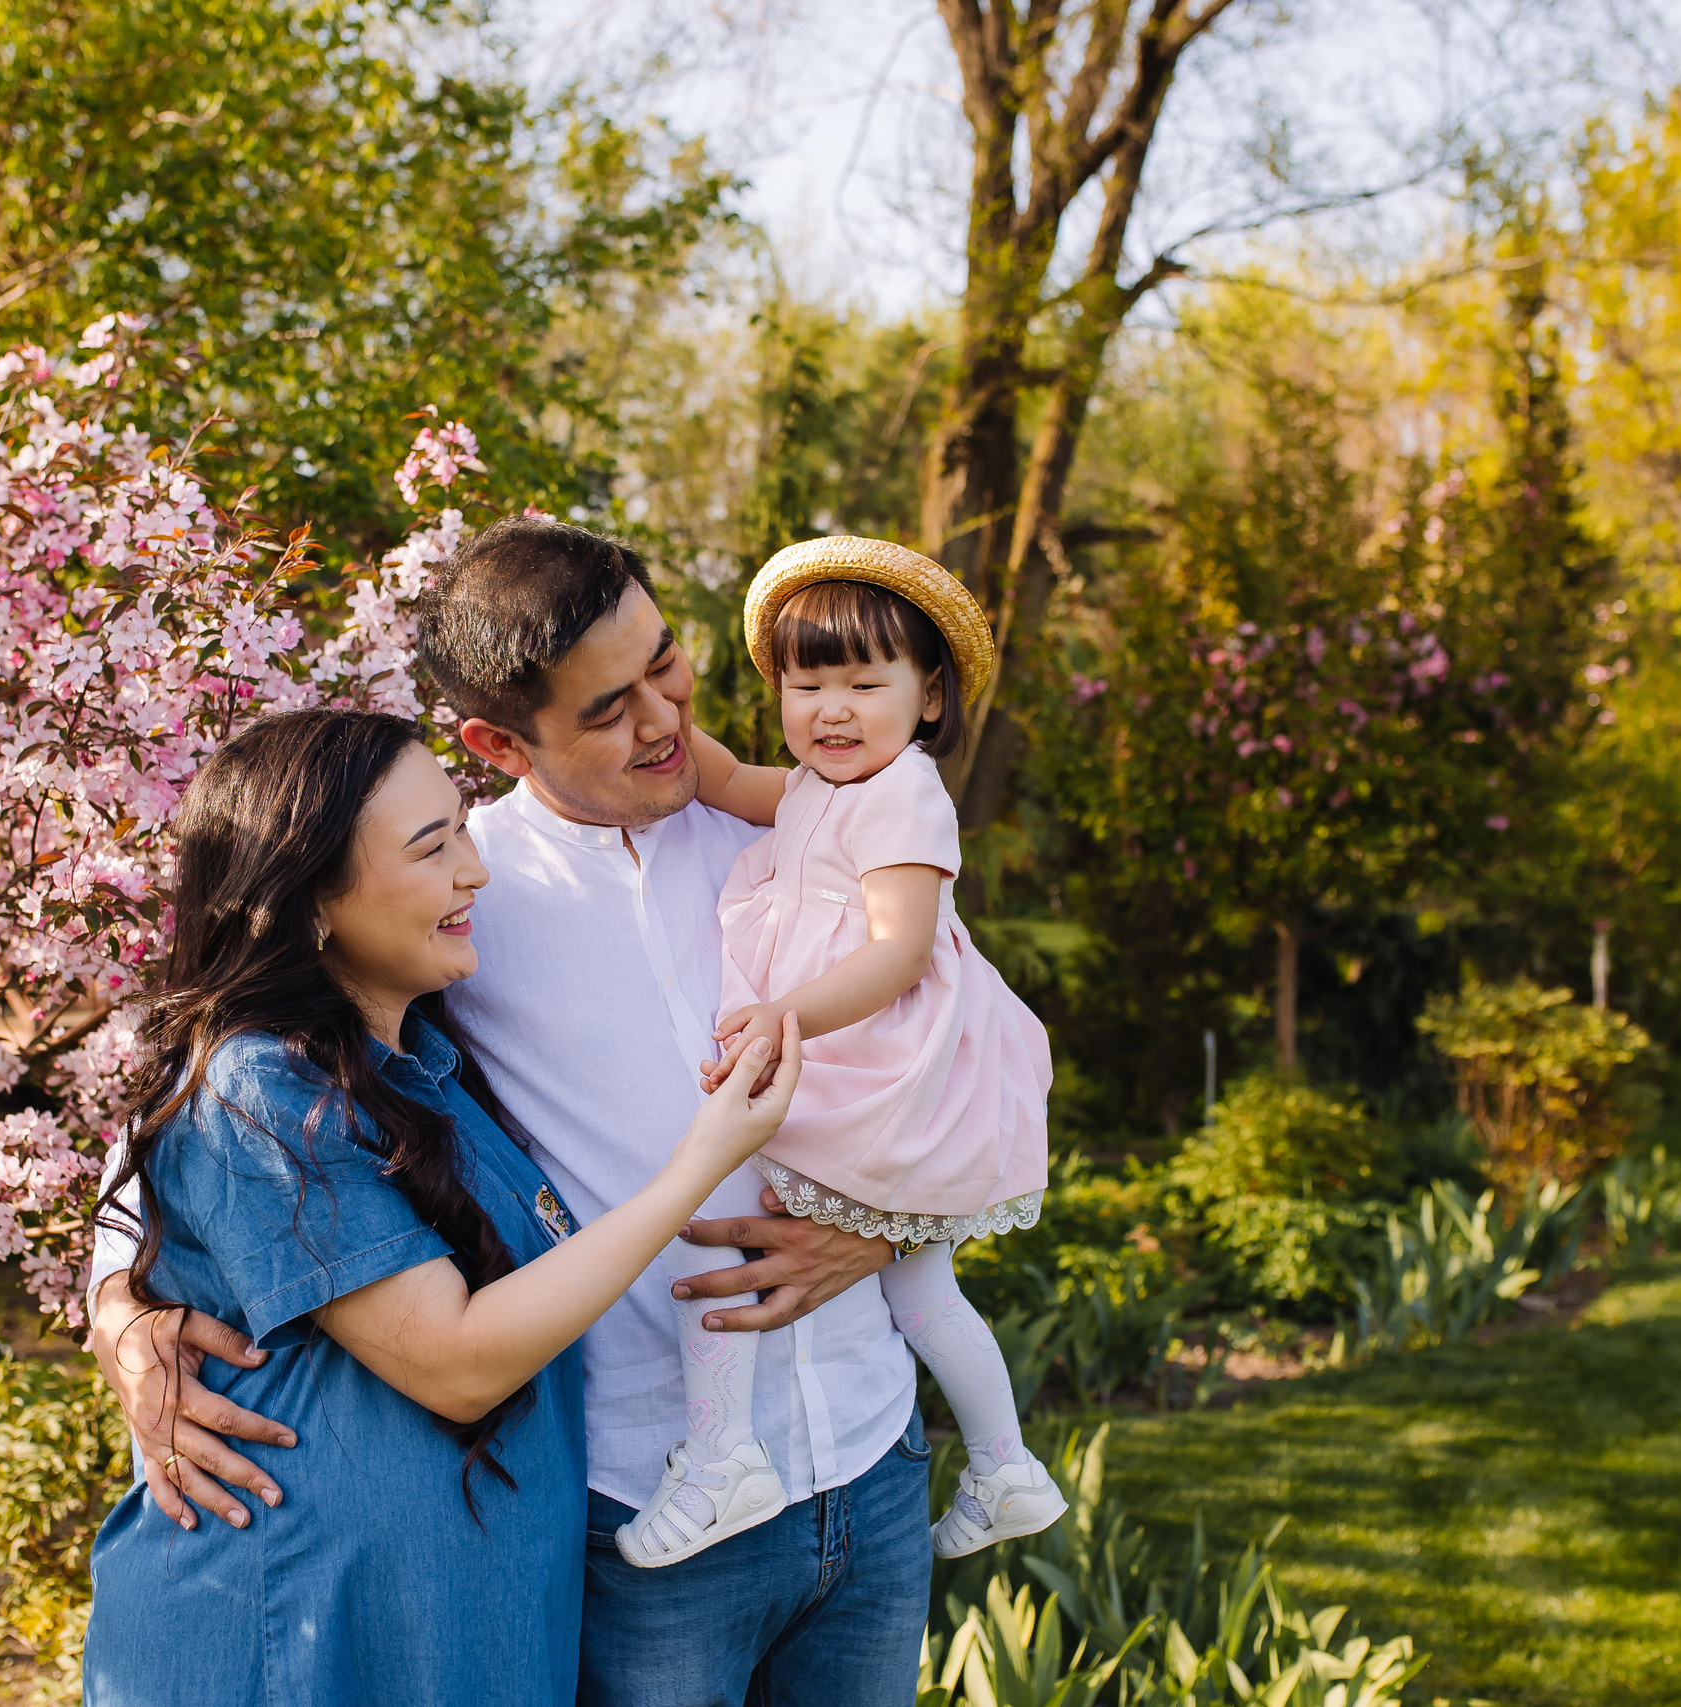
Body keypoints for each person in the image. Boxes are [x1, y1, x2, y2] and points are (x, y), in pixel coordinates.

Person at [85, 518, 935, 1707]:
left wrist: (896, 1228)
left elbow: (970, 1066)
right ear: (498, 739)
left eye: (665, 660)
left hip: (868, 1454)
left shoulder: (815, 828)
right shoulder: (449, 897)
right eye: (606, 708)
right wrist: (123, 1316)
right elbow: (207, 1121)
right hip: (646, 1511)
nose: (664, 717)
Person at [628, 536, 1061, 1569]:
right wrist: (659, 724)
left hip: (882, 1063)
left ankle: (723, 1450)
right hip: (862, 1057)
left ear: (928, 700)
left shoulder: (905, 795)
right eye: (805, 682)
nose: (831, 708)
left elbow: (901, 951)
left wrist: (787, 1014)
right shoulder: (821, 788)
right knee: (918, 1288)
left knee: (722, 1214)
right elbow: (727, 779)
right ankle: (1005, 1467)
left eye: (866, 683)